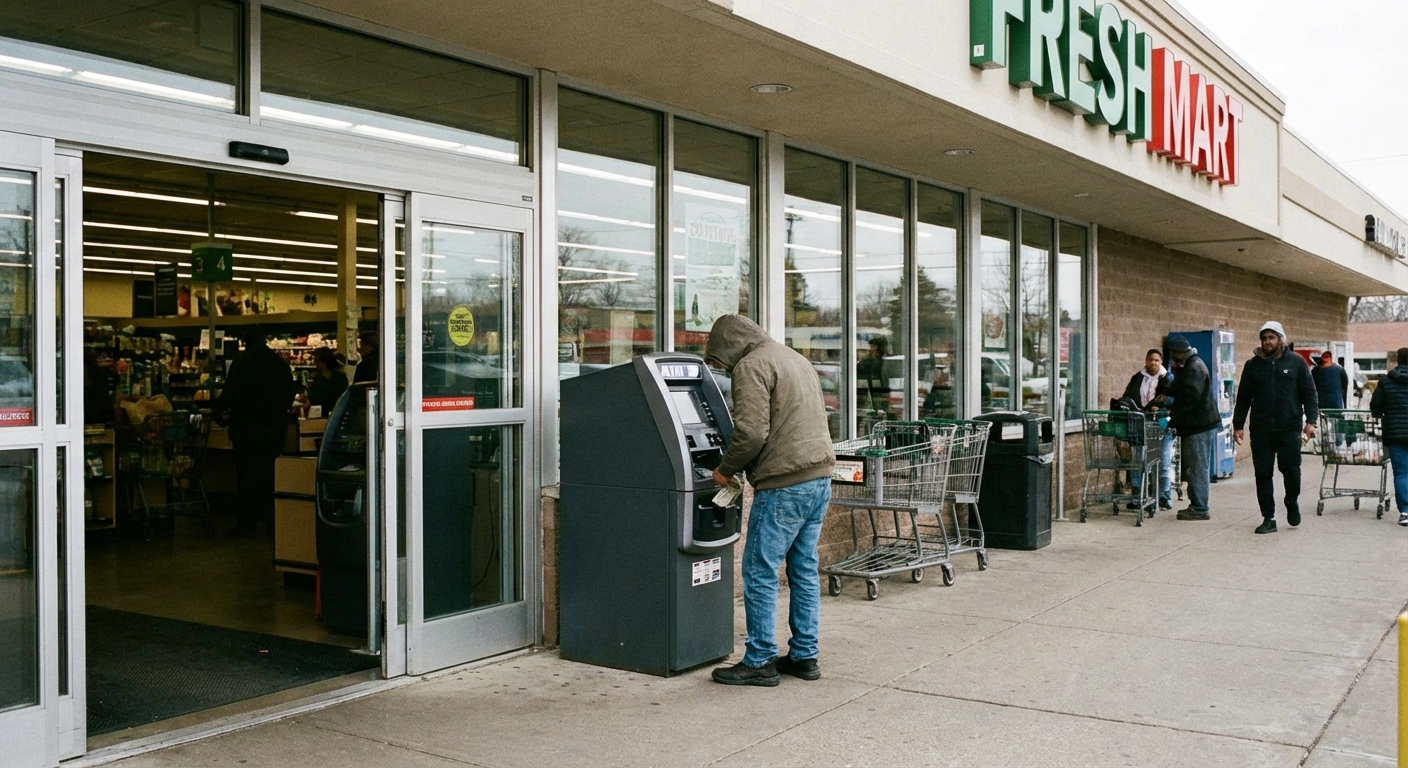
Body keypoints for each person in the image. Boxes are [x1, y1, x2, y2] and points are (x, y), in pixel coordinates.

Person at [704, 314, 835, 687]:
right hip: (818, 477)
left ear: (728, 345)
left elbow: (749, 433)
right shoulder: (792, 357)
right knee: (803, 570)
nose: (723, 369)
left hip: (784, 483)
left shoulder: (751, 365)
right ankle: (804, 655)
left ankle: (760, 659)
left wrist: (724, 470)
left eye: (719, 360)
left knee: (760, 571)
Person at [1233, 321, 1318, 534]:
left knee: (1290, 470)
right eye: (1264, 338)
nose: (1267, 342)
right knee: (1263, 474)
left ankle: (1291, 501)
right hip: (1261, 430)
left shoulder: (1296, 362)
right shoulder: (1253, 365)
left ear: (1281, 339)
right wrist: (1238, 425)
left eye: (1271, 337)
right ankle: (1268, 518)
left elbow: (1309, 392)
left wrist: (1311, 421)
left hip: (1289, 428)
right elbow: (1243, 397)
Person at [212, 327, 296, 536]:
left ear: (245, 341)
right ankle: (271, 522)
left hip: (246, 429)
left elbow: (230, 393)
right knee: (269, 475)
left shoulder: (241, 363)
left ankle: (246, 524)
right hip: (273, 429)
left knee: (247, 476)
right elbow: (289, 392)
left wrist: (219, 413)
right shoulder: (279, 363)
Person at [1165, 335, 1220, 521]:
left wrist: (1174, 414)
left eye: (1174, 355)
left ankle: (1199, 507)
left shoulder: (1194, 368)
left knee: (1197, 467)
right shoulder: (1191, 365)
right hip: (1200, 423)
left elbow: (1189, 398)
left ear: (1180, 353)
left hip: (1198, 425)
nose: (1173, 358)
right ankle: (1198, 505)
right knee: (1197, 466)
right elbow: (1183, 389)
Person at [1121, 348, 1174, 511]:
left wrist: (1162, 406)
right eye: (1150, 359)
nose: (1153, 363)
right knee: (1138, 460)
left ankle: (1164, 495)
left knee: (1163, 461)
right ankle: (1138, 494)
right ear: (1146, 360)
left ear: (1161, 361)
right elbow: (1128, 395)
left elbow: (1174, 398)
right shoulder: (1138, 378)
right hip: (1140, 423)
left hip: (1162, 423)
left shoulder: (1168, 378)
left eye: (1157, 360)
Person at [1371, 348, 1408, 527]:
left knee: (1401, 473)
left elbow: (1376, 407)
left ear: (1398, 360)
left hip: (1395, 433)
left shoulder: (1386, 382)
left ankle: (1406, 512)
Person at [303, 347, 349, 416]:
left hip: (333, 412)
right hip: (326, 413)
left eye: (317, 360)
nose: (315, 363)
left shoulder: (338, 378)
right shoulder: (317, 378)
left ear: (323, 362)